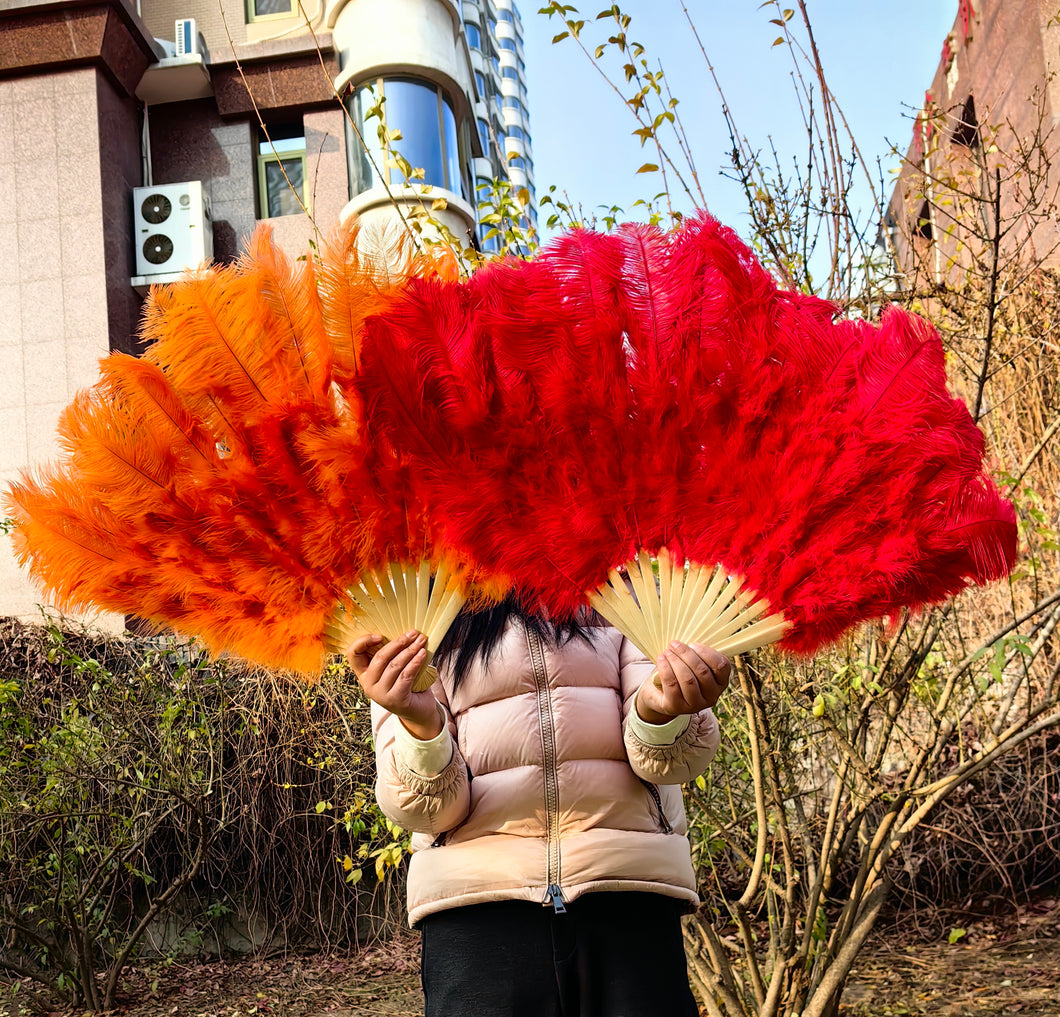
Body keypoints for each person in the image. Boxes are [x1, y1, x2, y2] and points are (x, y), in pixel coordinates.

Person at [348, 596, 730, 1017]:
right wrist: (421, 725)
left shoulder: (622, 592)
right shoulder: (421, 611)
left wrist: (663, 711)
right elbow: (427, 811)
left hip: (626, 897)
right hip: (478, 914)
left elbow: (672, 764)